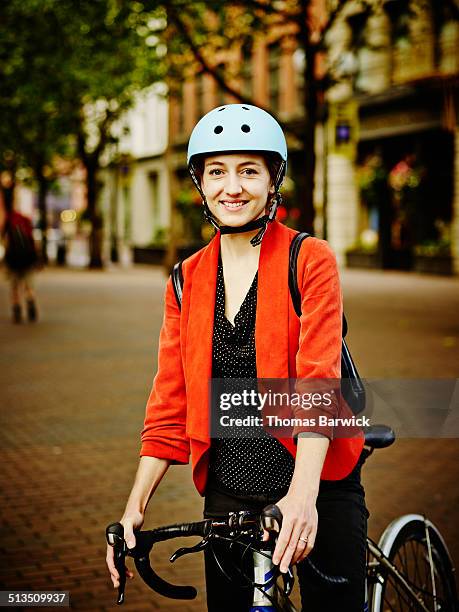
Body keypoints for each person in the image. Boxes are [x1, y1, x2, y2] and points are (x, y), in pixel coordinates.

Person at [106, 104, 368, 611]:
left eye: (249, 170)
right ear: (200, 184)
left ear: (274, 181)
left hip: (316, 477)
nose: (233, 187)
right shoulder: (185, 279)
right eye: (217, 171)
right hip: (230, 488)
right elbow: (169, 402)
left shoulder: (309, 258)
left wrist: (302, 497)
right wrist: (135, 506)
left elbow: (317, 385)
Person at [1, 197, 39, 324]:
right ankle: (30, 302)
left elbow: (6, 242)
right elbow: (32, 240)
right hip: (28, 258)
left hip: (13, 260)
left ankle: (17, 310)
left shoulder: (7, 221)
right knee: (28, 284)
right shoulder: (25, 220)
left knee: (15, 286)